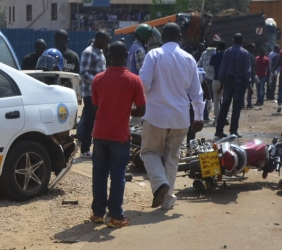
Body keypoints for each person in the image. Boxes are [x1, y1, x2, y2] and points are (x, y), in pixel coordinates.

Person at [139, 22, 204, 210]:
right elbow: (196, 92)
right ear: (180, 38)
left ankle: (160, 184)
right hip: (180, 118)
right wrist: (198, 116)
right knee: (172, 158)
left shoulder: (154, 54)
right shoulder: (189, 59)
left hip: (156, 116)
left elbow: (144, 84)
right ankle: (167, 201)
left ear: (162, 37)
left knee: (149, 152)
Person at [90, 41, 146, 228]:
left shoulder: (98, 79)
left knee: (99, 174)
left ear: (108, 56)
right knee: (118, 175)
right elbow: (142, 110)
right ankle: (115, 216)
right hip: (120, 136)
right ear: (126, 57)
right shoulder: (133, 80)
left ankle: (98, 213)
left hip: (99, 134)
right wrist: (126, 112)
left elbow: (97, 106)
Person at [78, 31, 110, 157]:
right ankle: (85, 149)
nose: (107, 45)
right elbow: (83, 73)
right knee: (90, 120)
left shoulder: (101, 52)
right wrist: (98, 81)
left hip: (101, 92)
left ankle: (97, 147)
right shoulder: (88, 52)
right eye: (106, 42)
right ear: (100, 40)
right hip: (90, 92)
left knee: (99, 120)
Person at [215, 33, 253, 138]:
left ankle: (219, 130)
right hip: (239, 82)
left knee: (224, 106)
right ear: (242, 41)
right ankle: (233, 131)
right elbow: (247, 70)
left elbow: (223, 68)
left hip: (228, 81)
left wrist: (221, 82)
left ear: (233, 40)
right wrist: (249, 85)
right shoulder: (245, 53)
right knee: (236, 107)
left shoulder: (227, 52)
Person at [209, 41, 226, 125]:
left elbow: (211, 64)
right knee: (225, 100)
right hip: (226, 80)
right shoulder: (227, 55)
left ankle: (216, 119)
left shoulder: (214, 55)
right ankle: (225, 117)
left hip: (216, 80)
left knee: (216, 99)